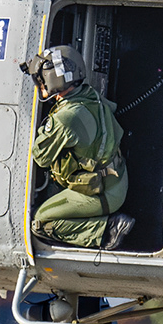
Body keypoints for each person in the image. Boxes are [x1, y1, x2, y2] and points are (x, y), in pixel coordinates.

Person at [25, 44, 133, 250]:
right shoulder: (89, 94)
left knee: (40, 222)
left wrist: (45, 129)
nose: (39, 86)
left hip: (102, 193)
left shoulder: (67, 117)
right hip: (115, 179)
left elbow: (41, 157)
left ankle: (107, 229)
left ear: (52, 81)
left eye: (41, 81)